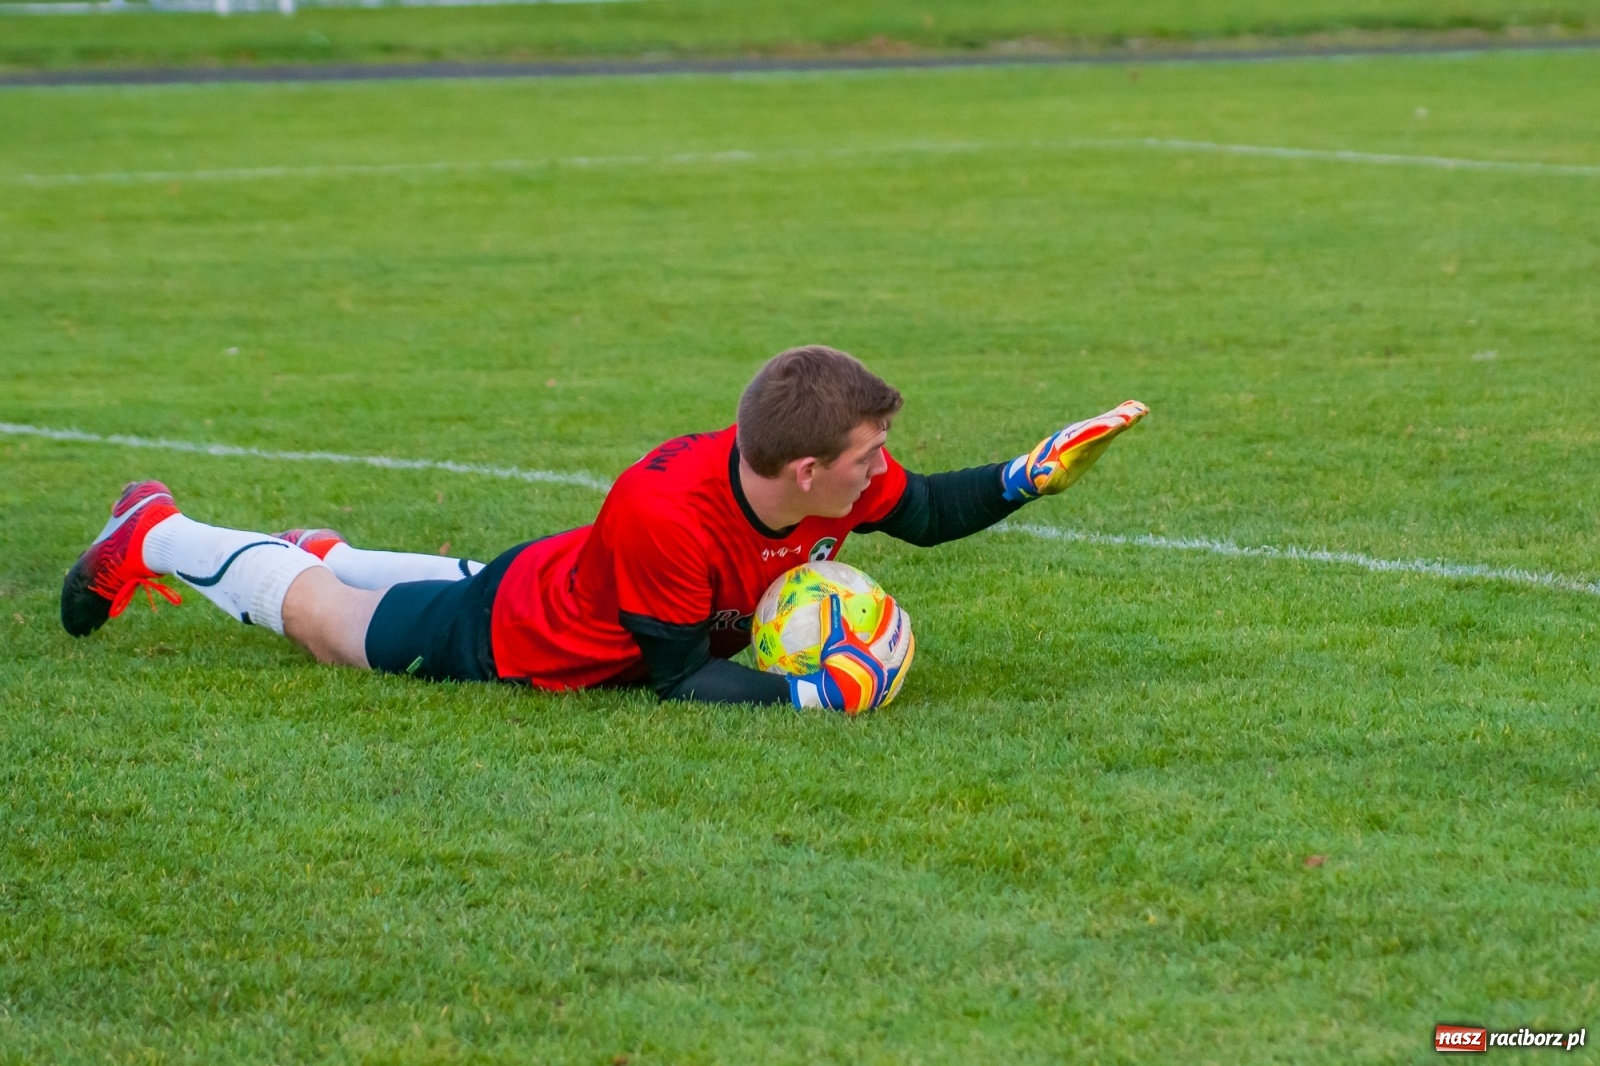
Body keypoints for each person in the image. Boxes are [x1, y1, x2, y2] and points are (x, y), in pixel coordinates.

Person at [61, 346, 1147, 712]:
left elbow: (924, 509)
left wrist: (1026, 475)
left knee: (376, 577)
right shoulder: (666, 513)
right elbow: (677, 680)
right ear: (807, 468)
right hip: (526, 631)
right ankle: (159, 529)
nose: (882, 467)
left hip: (570, 574)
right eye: (867, 453)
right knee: (333, 625)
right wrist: (822, 690)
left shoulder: (829, 481)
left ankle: (327, 550)